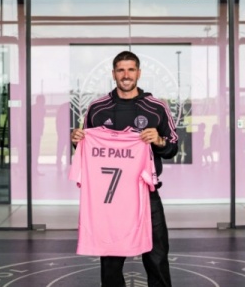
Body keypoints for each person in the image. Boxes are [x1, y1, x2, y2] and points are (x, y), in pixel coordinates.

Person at [71, 50, 178, 287]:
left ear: (139, 73)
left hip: (146, 193)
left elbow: (172, 147)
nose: (126, 75)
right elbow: (85, 148)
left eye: (131, 70)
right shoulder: (97, 108)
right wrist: (77, 140)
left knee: (157, 256)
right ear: (113, 74)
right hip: (110, 199)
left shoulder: (156, 107)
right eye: (121, 70)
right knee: (110, 259)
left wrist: (159, 140)